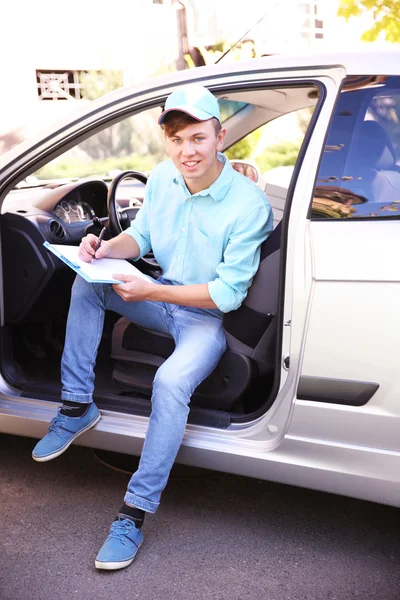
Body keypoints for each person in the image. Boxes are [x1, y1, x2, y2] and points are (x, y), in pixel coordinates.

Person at [32, 84, 273, 570]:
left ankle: (133, 514)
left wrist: (150, 291)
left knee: (169, 384)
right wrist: (103, 250)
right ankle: (76, 406)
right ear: (167, 141)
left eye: (199, 138)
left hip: (204, 319)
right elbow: (140, 236)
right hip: (159, 295)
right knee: (87, 285)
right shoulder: (162, 179)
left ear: (220, 135)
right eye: (178, 139)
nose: (188, 151)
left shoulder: (248, 205)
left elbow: (227, 295)